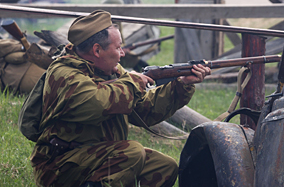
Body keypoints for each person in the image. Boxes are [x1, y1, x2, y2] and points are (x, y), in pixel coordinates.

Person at [29, 10, 211, 187]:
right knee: (132, 152)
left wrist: (181, 84)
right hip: (60, 166)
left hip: (99, 157)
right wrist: (132, 82)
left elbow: (144, 110)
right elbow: (96, 104)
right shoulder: (64, 73)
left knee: (164, 166)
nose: (122, 53)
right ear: (97, 50)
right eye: (118, 48)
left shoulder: (111, 71)